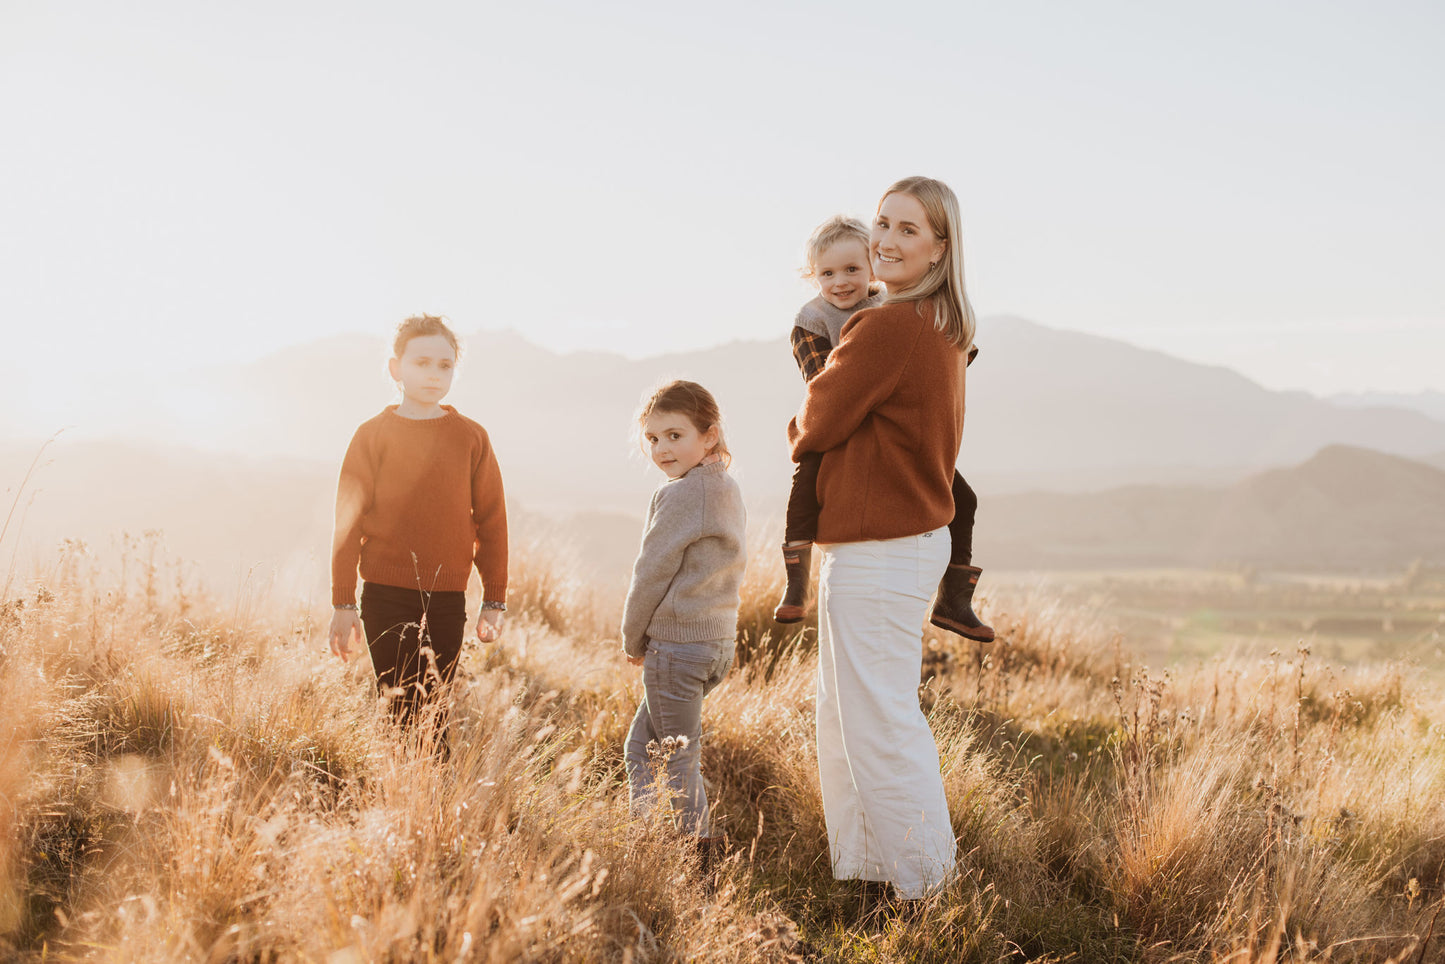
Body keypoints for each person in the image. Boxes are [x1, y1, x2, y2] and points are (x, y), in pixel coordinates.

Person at [788, 176, 975, 900]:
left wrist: (799, 428)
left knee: (880, 725)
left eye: (907, 229)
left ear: (938, 246)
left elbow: (815, 423)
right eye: (882, 225)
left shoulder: (888, 325)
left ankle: (927, 891)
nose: (886, 242)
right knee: (848, 718)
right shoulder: (935, 323)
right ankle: (872, 877)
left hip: (880, 546)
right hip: (891, 540)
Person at [774, 216, 993, 644]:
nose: (841, 282)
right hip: (841, 431)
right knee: (805, 478)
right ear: (812, 276)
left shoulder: (892, 311)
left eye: (852, 270)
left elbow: (946, 359)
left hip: (890, 437)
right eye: (828, 273)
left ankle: (954, 599)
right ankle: (796, 583)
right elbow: (823, 389)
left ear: (872, 267)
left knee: (962, 499)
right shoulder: (812, 320)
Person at [328, 314, 508, 730]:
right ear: (396, 368)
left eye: (444, 365)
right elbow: (347, 524)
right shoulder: (371, 436)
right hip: (384, 596)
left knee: (433, 715)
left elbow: (492, 522)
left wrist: (494, 600)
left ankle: (433, 794)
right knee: (396, 713)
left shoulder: (471, 437)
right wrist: (343, 602)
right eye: (422, 363)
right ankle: (396, 792)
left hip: (446, 599)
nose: (434, 374)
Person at [620, 380, 747, 859]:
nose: (661, 449)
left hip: (676, 648)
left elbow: (650, 573)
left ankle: (695, 862)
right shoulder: (725, 487)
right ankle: (648, 845)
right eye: (653, 439)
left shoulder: (680, 495)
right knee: (642, 748)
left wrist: (633, 639)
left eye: (675, 435)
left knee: (676, 760)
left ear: (709, 435)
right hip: (715, 643)